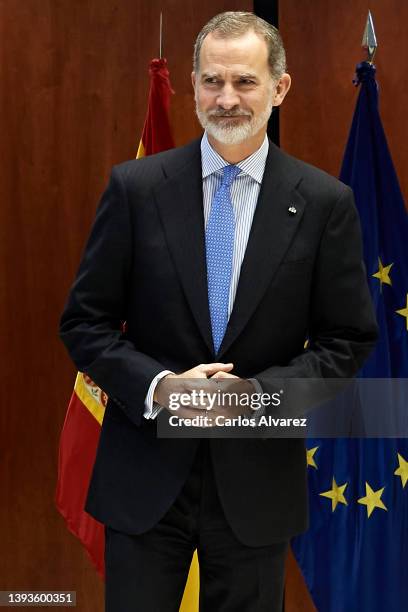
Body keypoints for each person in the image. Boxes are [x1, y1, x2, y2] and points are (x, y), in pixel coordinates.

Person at [59, 11, 378, 612]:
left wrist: (253, 398)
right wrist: (162, 387)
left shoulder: (324, 204)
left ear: (279, 88)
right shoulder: (135, 188)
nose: (226, 98)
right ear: (193, 83)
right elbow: (84, 322)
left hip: (255, 484)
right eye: (212, 81)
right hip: (145, 477)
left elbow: (348, 340)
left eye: (245, 82)